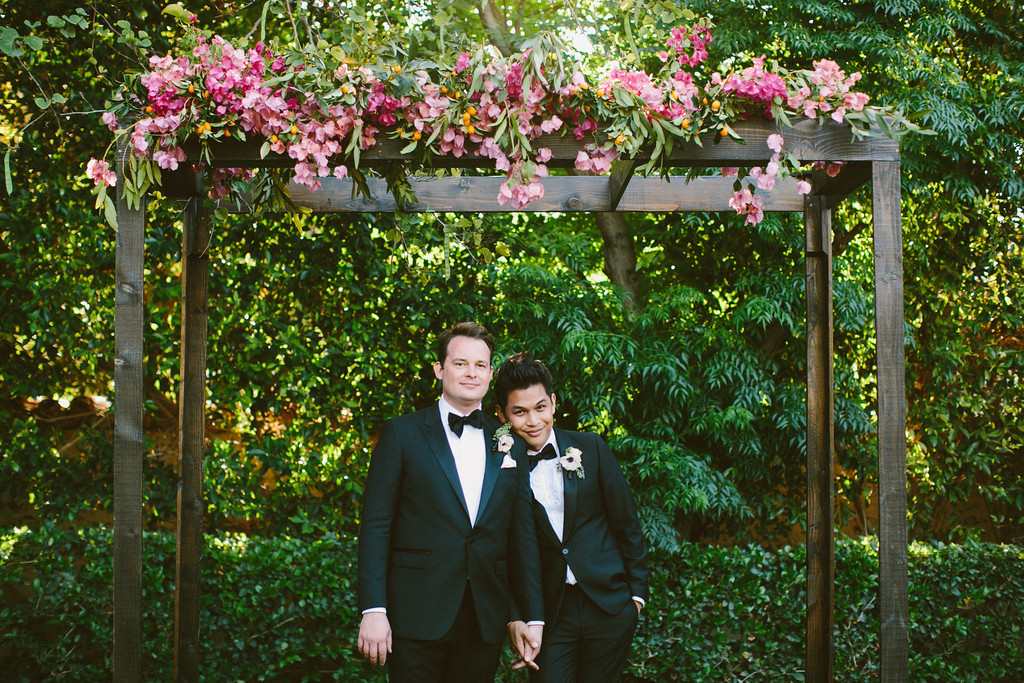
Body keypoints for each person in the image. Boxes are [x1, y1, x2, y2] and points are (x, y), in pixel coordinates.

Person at [356, 322, 544, 682]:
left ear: (490, 373)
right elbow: (376, 526)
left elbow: (521, 535)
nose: (471, 373)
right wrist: (373, 609)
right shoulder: (402, 434)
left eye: (480, 365)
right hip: (415, 614)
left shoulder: (510, 443)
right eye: (460, 363)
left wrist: (528, 615)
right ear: (439, 370)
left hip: (484, 617)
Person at [495, 351, 649, 683]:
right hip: (550, 613)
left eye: (540, 408)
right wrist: (517, 616)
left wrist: (635, 599)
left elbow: (627, 524)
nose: (533, 421)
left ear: (553, 402)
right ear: (503, 415)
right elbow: (500, 552)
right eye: (519, 412)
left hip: (608, 605)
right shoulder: (497, 470)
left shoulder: (590, 447)